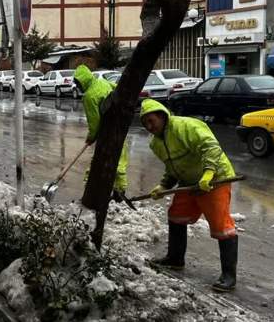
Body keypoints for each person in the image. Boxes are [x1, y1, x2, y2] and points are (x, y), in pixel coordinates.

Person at [140, 98, 238, 292]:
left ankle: (229, 276)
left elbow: (211, 147)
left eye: (151, 121)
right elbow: (172, 168)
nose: (149, 127)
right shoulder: (156, 144)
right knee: (176, 216)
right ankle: (175, 259)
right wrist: (163, 185)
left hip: (215, 178)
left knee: (221, 227)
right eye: (145, 124)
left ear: (162, 116)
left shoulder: (186, 126)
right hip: (189, 183)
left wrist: (209, 173)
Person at [72, 64, 129, 196]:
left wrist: (91, 137)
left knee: (99, 160)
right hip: (119, 126)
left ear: (83, 80)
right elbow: (116, 89)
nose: (78, 87)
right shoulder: (102, 82)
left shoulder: (89, 97)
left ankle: (90, 189)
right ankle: (119, 192)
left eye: (78, 83)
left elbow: (94, 122)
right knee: (120, 159)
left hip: (106, 132)